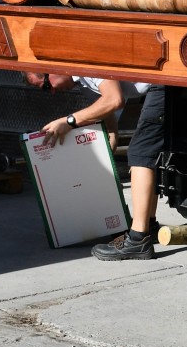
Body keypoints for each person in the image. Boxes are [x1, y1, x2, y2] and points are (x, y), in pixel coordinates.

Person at [25, 73, 171, 261]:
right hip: (160, 85)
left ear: (51, 68)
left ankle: (138, 240)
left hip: (165, 82)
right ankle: (148, 226)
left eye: (46, 85)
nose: (52, 92)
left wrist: (68, 121)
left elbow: (114, 100)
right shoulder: (84, 85)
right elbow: (109, 122)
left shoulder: (85, 67)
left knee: (140, 152)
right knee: (146, 151)